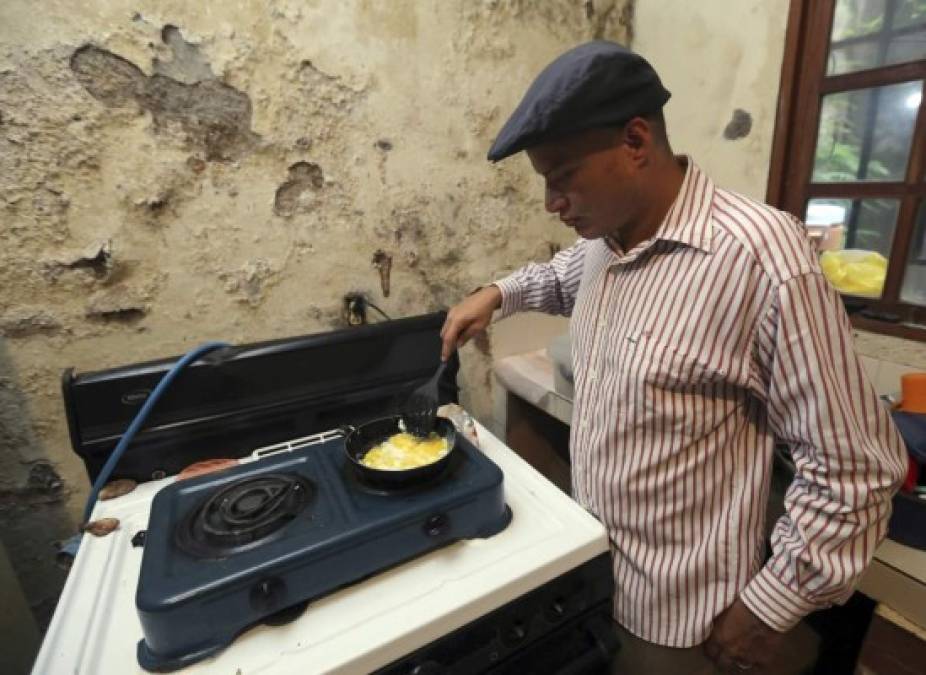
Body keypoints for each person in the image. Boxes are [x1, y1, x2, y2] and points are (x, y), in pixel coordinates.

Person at [440, 41, 907, 674]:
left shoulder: (760, 259)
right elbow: (563, 274)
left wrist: (769, 606)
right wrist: (496, 294)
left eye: (563, 177)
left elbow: (856, 467)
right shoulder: (609, 240)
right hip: (601, 572)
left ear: (636, 142)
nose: (552, 202)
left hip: (687, 618)